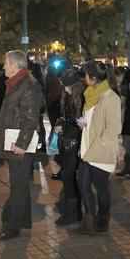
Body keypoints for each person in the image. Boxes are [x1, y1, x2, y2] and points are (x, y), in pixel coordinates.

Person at [0, 50, 40, 240]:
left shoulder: (26, 85)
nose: (4, 66)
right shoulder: (17, 83)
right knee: (20, 184)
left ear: (15, 65)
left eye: (6, 63)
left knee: (17, 186)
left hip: (18, 143)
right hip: (14, 140)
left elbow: (30, 118)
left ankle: (13, 227)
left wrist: (21, 144)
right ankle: (25, 220)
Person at [75, 61, 121, 235]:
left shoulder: (110, 97)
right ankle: (90, 223)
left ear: (93, 78)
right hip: (87, 148)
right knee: (83, 184)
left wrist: (100, 144)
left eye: (86, 75)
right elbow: (94, 119)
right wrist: (85, 124)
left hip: (100, 150)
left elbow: (114, 127)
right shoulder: (91, 94)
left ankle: (102, 221)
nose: (84, 78)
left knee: (100, 186)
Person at [53, 69, 85, 226]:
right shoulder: (67, 96)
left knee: (68, 176)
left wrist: (71, 120)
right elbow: (63, 115)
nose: (64, 89)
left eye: (67, 86)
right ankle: (74, 211)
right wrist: (59, 125)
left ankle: (72, 212)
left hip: (76, 141)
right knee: (68, 176)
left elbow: (82, 120)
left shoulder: (82, 96)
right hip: (66, 140)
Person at [30, 62, 47, 151]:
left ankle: (36, 144)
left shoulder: (34, 81)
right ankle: (42, 143)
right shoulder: (41, 79)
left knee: (36, 126)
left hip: (36, 106)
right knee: (40, 124)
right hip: (41, 106)